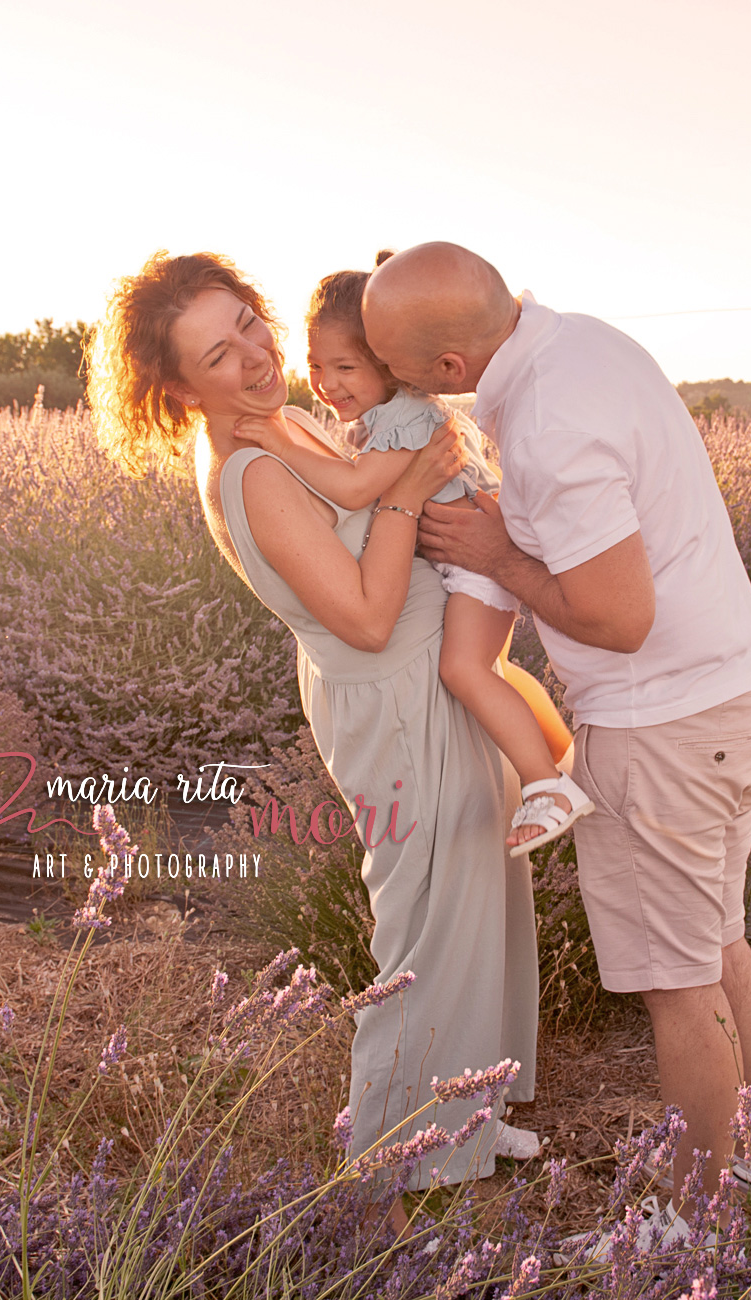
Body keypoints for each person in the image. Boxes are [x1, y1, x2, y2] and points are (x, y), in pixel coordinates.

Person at [85, 251, 541, 1235]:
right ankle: (397, 1150)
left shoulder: (278, 421)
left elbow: (365, 489)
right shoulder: (249, 470)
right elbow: (369, 615)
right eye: (220, 350)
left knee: (474, 888)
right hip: (396, 690)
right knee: (422, 919)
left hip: (423, 676)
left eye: (249, 320)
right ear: (174, 388)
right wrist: (414, 486)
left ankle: (465, 1114)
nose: (255, 353)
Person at [363, 242, 751, 1247]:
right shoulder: (583, 343)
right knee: (719, 948)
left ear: (452, 370)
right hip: (728, 697)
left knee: (679, 988)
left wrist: (497, 551)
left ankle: (695, 1225)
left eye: (409, 374)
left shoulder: (548, 421)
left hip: (660, 733)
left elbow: (617, 615)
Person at [229, 257, 591, 856]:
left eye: (345, 367)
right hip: (467, 564)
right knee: (493, 670)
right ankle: (564, 759)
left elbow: (351, 489)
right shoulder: (385, 418)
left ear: (387, 366)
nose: (325, 383)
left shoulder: (410, 418)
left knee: (465, 670)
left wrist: (274, 439)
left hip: (476, 566)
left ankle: (547, 788)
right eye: (315, 365)